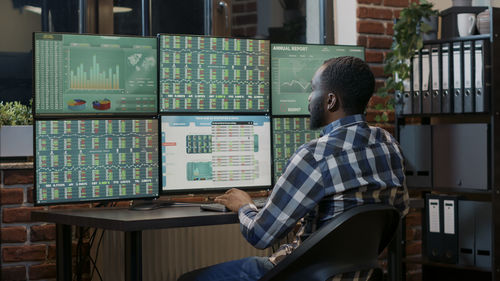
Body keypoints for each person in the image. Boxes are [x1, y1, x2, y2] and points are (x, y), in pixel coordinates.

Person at [178, 56, 410, 281]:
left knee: (188, 279)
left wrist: (245, 206)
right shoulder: (389, 144)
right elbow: (397, 211)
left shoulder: (314, 156)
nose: (309, 98)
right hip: (358, 276)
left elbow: (260, 235)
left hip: (299, 274)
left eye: (313, 89)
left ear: (331, 101)